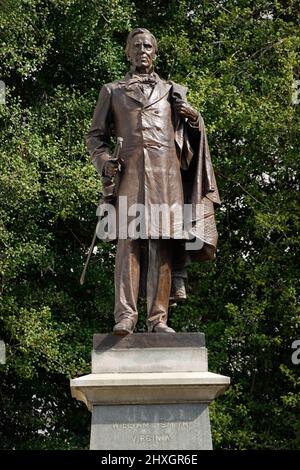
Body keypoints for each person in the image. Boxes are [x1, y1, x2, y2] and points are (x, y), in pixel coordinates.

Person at [86, 28, 220, 335]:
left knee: (161, 244)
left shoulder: (174, 90)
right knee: (128, 245)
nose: (143, 50)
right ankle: (126, 316)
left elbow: (193, 139)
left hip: (167, 177)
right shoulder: (112, 90)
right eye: (137, 46)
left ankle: (158, 319)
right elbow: (95, 137)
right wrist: (105, 161)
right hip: (129, 175)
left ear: (155, 53)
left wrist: (194, 118)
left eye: (148, 46)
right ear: (128, 53)